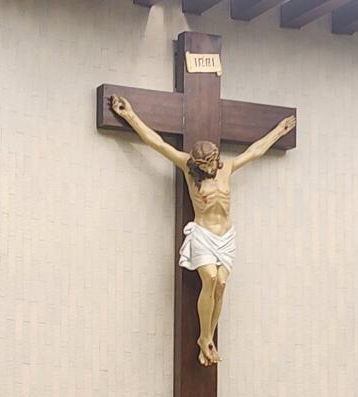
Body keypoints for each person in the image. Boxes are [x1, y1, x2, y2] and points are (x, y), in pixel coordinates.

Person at [109, 94, 296, 366]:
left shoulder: (226, 168)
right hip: (203, 234)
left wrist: (279, 131)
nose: (211, 167)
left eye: (212, 161)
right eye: (206, 164)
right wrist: (129, 115)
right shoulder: (188, 168)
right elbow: (157, 143)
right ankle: (205, 338)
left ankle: (206, 337)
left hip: (226, 237)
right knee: (210, 278)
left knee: (221, 284)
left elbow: (254, 152)